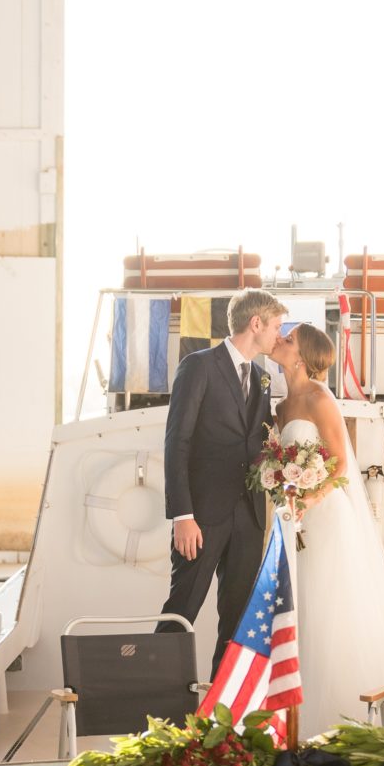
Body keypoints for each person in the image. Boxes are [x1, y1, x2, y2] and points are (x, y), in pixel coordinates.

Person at [271, 323, 384, 739]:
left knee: (329, 607)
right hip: (291, 515)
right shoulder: (279, 407)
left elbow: (341, 464)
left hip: (325, 515)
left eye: (288, 339)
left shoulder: (319, 397)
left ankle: (339, 718)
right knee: (300, 607)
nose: (281, 340)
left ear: (302, 355)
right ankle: (295, 717)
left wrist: (310, 499)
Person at [158, 288, 288, 678]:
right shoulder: (198, 366)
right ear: (256, 324)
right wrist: (183, 514)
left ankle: (221, 713)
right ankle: (154, 712)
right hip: (201, 517)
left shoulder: (264, 378)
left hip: (249, 518)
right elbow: (176, 442)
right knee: (181, 611)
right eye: (277, 326)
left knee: (237, 619)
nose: (279, 335)